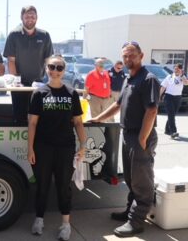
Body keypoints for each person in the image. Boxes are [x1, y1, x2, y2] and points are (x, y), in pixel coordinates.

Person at [89, 41, 160, 237]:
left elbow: (152, 110)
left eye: (132, 55)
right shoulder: (129, 78)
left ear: (141, 55)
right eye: (125, 56)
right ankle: (130, 213)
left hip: (140, 136)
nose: (128, 59)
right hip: (128, 134)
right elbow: (118, 105)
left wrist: (143, 139)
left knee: (141, 181)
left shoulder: (148, 79)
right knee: (130, 178)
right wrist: (97, 118)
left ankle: (136, 221)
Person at [28, 56, 86, 240]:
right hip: (43, 147)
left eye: (59, 67)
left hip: (65, 147)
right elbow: (32, 123)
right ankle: (39, 219)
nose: (55, 70)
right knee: (42, 185)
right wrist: (30, 148)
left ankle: (66, 224)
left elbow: (78, 122)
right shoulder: (39, 93)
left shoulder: (71, 93)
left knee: (63, 187)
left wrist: (83, 145)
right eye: (51, 66)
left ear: (64, 70)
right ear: (46, 68)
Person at [3, 5, 53, 123]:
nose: (30, 19)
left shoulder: (44, 35)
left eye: (32, 16)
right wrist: (16, 82)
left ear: (37, 17)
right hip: (19, 85)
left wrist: (51, 81)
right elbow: (11, 61)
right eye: (27, 16)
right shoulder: (13, 35)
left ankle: (37, 141)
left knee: (38, 117)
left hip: (38, 84)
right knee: (20, 117)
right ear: (21, 17)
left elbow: (48, 61)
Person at [160, 63, 188, 139]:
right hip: (168, 97)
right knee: (171, 115)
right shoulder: (169, 77)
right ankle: (173, 132)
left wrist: (182, 76)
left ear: (181, 70)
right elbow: (163, 87)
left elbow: (186, 83)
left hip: (177, 98)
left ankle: (167, 130)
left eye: (177, 69)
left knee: (172, 115)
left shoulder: (182, 77)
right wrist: (159, 96)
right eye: (175, 69)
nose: (176, 70)